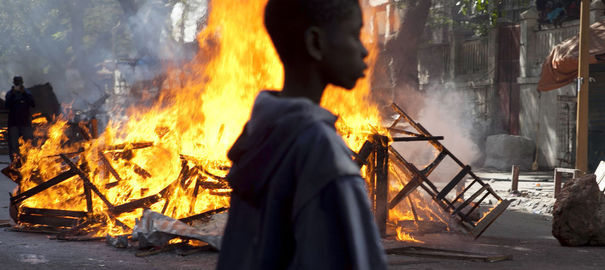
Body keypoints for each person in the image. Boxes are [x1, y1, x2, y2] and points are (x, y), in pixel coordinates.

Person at [217, 0, 387, 269]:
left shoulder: (257, 138)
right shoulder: (322, 153)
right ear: (315, 43)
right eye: (354, 34)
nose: (365, 50)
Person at [5, 76, 35, 162]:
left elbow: (33, 103)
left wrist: (24, 93)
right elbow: (7, 105)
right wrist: (13, 94)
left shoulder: (27, 93)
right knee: (14, 145)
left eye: (19, 82)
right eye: (17, 82)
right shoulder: (10, 93)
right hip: (13, 123)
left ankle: (28, 162)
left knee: (28, 143)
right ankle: (15, 162)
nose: (18, 84)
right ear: (14, 83)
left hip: (25, 123)